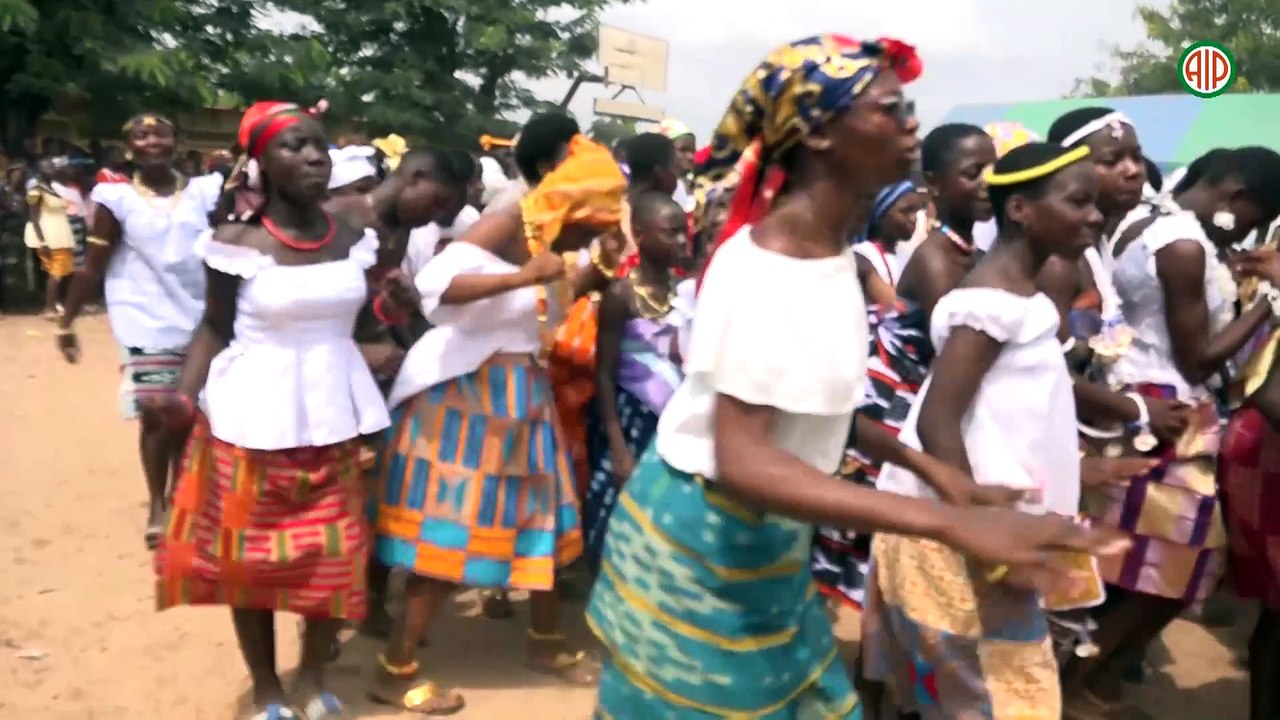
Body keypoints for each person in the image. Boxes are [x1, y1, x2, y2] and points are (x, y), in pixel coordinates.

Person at [586, 35, 1125, 719]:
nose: (910, 126)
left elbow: (812, 413)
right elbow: (744, 459)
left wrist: (930, 470)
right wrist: (947, 524)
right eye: (888, 110)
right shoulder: (768, 267)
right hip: (702, 538)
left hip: (765, 537)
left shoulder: (828, 255)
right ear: (817, 134)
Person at [368, 130, 628, 713]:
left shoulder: (565, 241)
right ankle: (395, 667)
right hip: (466, 396)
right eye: (592, 225)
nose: (595, 236)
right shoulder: (511, 223)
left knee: (541, 517)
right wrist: (522, 276)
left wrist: (596, 273)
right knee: (450, 527)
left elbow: (550, 306)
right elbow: (438, 287)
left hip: (523, 394)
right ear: (569, 206)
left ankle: (545, 640)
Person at [153, 101, 391, 720]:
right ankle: (266, 687)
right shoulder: (235, 243)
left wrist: (393, 338)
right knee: (249, 561)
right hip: (249, 421)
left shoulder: (358, 240)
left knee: (332, 556)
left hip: (336, 418)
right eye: (293, 146)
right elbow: (212, 327)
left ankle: (313, 675)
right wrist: (183, 397)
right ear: (259, 162)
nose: (314, 155)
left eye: (319, 145)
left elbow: (367, 326)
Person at [862, 142, 1103, 719]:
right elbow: (937, 418)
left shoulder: (1026, 292)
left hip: (985, 526)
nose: (1094, 216)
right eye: (1078, 201)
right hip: (958, 534)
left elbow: (1013, 411)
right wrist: (983, 532)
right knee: (999, 695)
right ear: (1019, 209)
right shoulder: (989, 304)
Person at [1069, 146, 1280, 718]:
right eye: (1256, 216)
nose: (1253, 232)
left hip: (1145, 403)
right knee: (1181, 566)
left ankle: (1091, 683)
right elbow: (1198, 360)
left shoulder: (1157, 223)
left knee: (1135, 564)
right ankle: (1078, 684)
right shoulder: (1183, 244)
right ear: (1235, 200)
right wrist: (1274, 301)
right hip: (1167, 412)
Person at [56, 114, 223, 548]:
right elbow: (93, 264)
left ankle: (181, 494)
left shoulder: (206, 192)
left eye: (161, 133)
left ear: (176, 141)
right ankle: (157, 502)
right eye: (141, 135)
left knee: (189, 412)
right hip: (143, 317)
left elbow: (227, 249)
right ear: (129, 147)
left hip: (201, 315)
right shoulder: (116, 198)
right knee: (155, 410)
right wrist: (67, 320)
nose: (152, 140)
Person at [583, 191, 687, 573]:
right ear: (640, 234)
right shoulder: (620, 295)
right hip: (630, 420)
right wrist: (618, 445)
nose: (681, 242)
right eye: (671, 233)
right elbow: (605, 373)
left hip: (674, 421)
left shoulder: (687, 292)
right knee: (619, 512)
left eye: (683, 233)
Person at [897, 123, 996, 318]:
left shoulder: (977, 254)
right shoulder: (934, 262)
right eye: (972, 174)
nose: (988, 184)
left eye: (993, 172)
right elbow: (955, 344)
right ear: (933, 182)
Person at [24, 157, 78, 318]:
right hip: (49, 235)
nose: (52, 169)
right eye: (47, 167)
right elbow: (33, 217)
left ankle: (55, 305)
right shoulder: (37, 190)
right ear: (40, 170)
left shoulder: (54, 188)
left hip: (60, 233)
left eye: (52, 166)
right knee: (57, 273)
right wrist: (42, 241)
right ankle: (50, 307)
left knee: (58, 273)